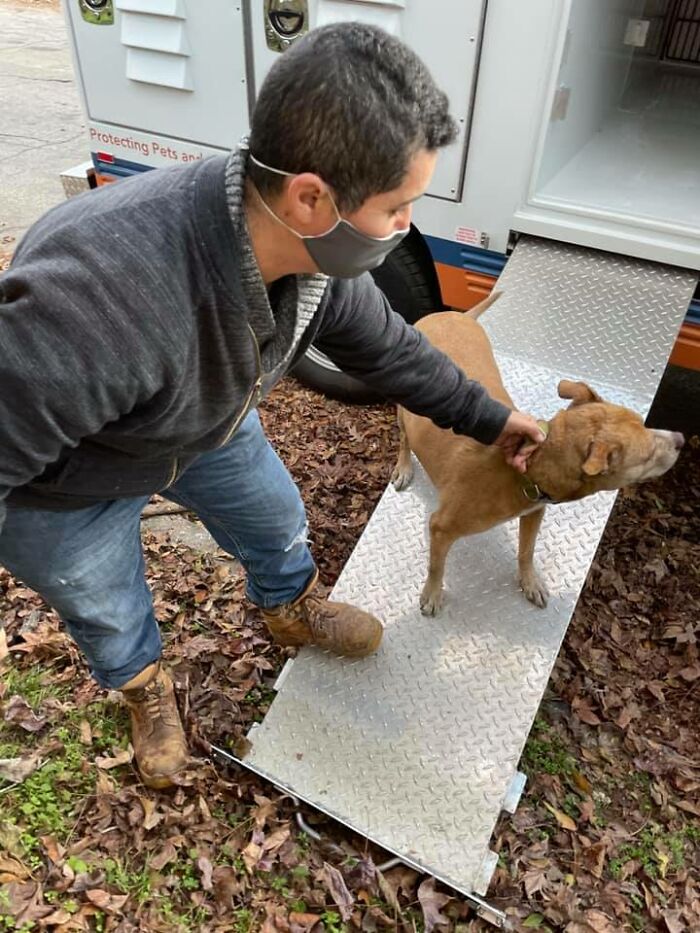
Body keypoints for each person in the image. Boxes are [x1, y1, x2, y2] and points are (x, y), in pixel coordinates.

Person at [0, 22, 544, 789]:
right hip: (66, 488)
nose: (405, 227)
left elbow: (391, 351)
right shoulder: (97, 302)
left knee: (275, 518)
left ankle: (289, 608)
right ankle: (143, 687)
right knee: (105, 602)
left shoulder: (308, 263)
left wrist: (493, 419)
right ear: (312, 196)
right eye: (398, 206)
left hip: (202, 424)